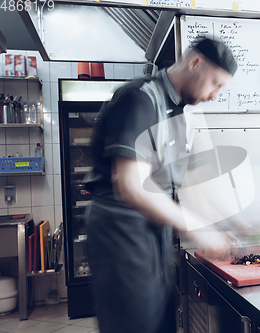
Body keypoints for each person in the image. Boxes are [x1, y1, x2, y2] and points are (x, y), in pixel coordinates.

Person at [84, 38, 238, 333]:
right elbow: (131, 186)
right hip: (120, 231)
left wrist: (233, 222)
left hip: (153, 232)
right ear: (195, 63)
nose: (216, 95)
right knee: (134, 324)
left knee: (161, 320)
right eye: (216, 84)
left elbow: (194, 181)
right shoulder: (139, 98)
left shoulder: (182, 113)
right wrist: (197, 227)